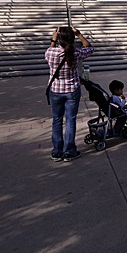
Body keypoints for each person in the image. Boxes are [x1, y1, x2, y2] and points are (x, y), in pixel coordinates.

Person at [46, 26, 93, 162]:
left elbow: (51, 50)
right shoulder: (75, 53)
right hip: (72, 90)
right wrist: (79, 34)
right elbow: (90, 48)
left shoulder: (51, 53)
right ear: (72, 40)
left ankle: (57, 151)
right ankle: (69, 150)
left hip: (55, 90)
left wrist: (53, 39)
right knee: (70, 120)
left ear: (59, 39)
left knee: (57, 120)